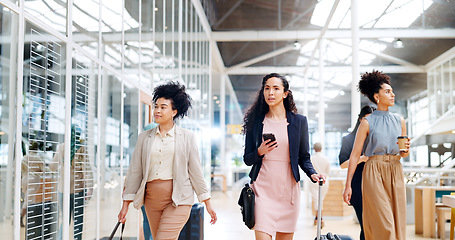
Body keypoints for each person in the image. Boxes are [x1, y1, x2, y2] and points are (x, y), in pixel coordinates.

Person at [118, 82, 217, 240]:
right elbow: (135, 171)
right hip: (151, 201)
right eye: (156, 106)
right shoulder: (144, 138)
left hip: (179, 200)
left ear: (174, 111)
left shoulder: (187, 137)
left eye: (163, 107)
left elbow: (196, 171)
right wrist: (125, 206)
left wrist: (207, 203)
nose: (157, 110)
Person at [242, 73, 326, 240]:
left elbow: (304, 157)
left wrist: (312, 173)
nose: (270, 93)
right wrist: (260, 151)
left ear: (285, 93)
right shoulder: (256, 122)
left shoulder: (299, 121)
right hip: (262, 191)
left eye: (276, 88)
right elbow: (247, 158)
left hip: (288, 192)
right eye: (267, 88)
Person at [343, 70, 411, 240]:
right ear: (377, 96)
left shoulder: (400, 120)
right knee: (385, 223)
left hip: (396, 170)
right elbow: (354, 155)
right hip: (374, 171)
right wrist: (348, 185)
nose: (392, 94)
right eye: (387, 91)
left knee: (397, 222)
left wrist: (405, 151)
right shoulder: (367, 122)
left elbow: (403, 154)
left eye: (392, 91)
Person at [338, 105, 375, 240]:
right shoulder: (348, 139)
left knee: (373, 226)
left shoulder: (376, 139)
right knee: (365, 226)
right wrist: (362, 158)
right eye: (367, 119)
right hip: (358, 187)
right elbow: (342, 164)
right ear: (360, 119)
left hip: (375, 186)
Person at [309, 142, 330, 227]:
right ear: (321, 149)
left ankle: (319, 218)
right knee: (320, 200)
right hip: (324, 181)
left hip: (314, 181)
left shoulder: (311, 158)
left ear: (314, 149)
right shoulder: (326, 159)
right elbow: (328, 172)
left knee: (317, 200)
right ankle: (319, 218)